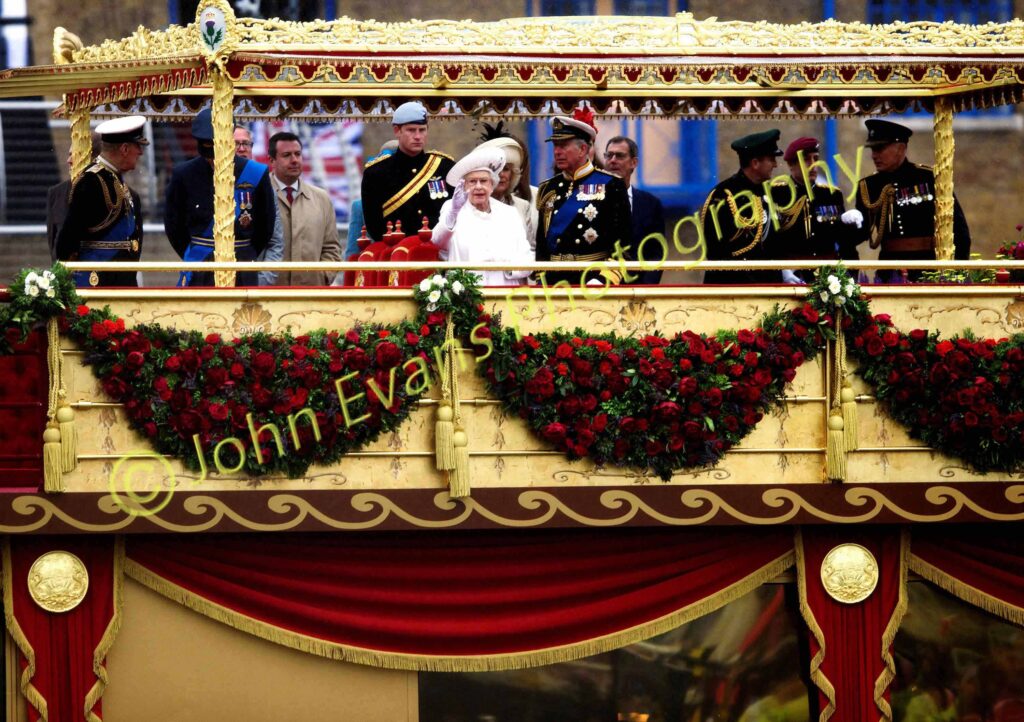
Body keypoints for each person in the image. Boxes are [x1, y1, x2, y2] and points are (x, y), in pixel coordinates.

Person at [850, 118, 971, 283]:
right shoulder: (868, 186)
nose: (874, 155)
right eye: (872, 149)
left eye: (880, 148)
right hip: (890, 270)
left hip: (928, 268)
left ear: (900, 148)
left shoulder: (929, 178)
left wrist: (956, 272)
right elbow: (860, 234)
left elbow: (959, 229)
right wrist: (848, 224)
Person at [164, 108, 275, 287]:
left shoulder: (256, 173)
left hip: (242, 264)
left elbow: (265, 226)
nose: (213, 161)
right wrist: (198, 252)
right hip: (200, 264)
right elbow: (174, 225)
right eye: (209, 157)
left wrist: (245, 253)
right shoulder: (184, 174)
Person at [535, 111, 631, 286]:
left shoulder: (611, 185)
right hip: (554, 283)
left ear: (583, 149)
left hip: (593, 280)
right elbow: (542, 246)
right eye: (555, 146)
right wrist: (541, 280)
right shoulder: (548, 188)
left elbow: (623, 245)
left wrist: (604, 280)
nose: (557, 152)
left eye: (563, 146)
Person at [56, 116, 147, 287]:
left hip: (120, 280)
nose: (140, 152)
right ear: (125, 149)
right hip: (97, 282)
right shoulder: (91, 182)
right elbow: (67, 241)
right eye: (138, 146)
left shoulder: (115, 180)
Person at [432, 146, 533, 287]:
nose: (478, 187)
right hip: (467, 294)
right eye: (472, 181)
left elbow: (527, 257)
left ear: (492, 184)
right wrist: (453, 212)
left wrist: (507, 268)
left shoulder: (509, 214)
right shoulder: (452, 208)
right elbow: (437, 243)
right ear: (464, 185)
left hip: (505, 291)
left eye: (484, 181)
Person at [360, 101, 455, 242]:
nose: (417, 136)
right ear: (397, 131)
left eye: (422, 130)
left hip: (438, 251)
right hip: (395, 253)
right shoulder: (376, 173)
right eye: (411, 130)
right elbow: (374, 226)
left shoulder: (445, 167)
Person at [769, 136, 860, 282]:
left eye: (816, 158)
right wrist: (781, 271)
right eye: (806, 159)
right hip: (792, 275)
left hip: (828, 277)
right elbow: (770, 242)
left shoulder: (831, 194)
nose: (813, 164)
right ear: (791, 164)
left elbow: (846, 244)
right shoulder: (776, 194)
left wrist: (850, 275)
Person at [700, 129, 783, 284]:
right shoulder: (723, 195)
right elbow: (716, 251)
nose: (775, 164)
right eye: (771, 159)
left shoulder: (772, 193)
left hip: (770, 284)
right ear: (755, 163)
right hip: (734, 286)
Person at [266, 131, 342, 286]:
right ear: (272, 160)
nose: (294, 160)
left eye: (298, 154)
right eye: (287, 155)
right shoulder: (257, 195)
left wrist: (323, 277)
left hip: (311, 295)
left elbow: (331, 248)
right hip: (266, 295)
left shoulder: (321, 199)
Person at [603, 135, 666, 285]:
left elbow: (656, 254)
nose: (612, 160)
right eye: (608, 155)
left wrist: (644, 290)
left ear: (634, 162)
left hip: (637, 288)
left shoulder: (650, 204)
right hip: (597, 287)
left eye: (619, 156)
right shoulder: (590, 199)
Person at [476, 127, 537, 247]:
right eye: (496, 169)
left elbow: (531, 247)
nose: (502, 175)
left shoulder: (522, 205)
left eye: (506, 169)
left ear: (513, 174)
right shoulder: (472, 204)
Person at [47, 133, 101, 263]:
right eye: (68, 154)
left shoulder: (115, 192)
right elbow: (53, 242)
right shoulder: (56, 193)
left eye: (74, 155)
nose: (69, 160)